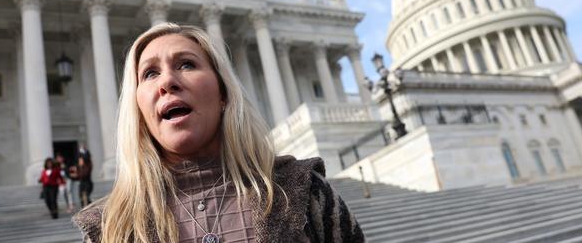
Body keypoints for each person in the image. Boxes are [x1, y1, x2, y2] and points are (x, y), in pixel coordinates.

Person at [73, 23, 364, 242]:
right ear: (138, 109)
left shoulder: (303, 192)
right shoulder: (108, 228)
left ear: (223, 93)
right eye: (149, 73)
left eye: (186, 64)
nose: (168, 81)